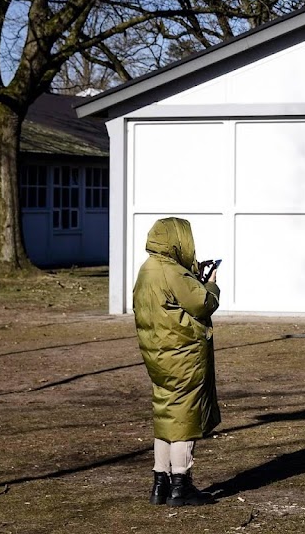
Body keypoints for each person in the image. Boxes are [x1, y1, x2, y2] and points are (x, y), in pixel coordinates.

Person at [133, 217, 221, 507]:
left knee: (166, 414)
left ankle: (160, 483)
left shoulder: (147, 270)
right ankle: (181, 485)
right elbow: (203, 304)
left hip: (158, 355)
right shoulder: (173, 272)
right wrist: (211, 285)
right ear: (177, 240)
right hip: (183, 355)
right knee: (184, 417)